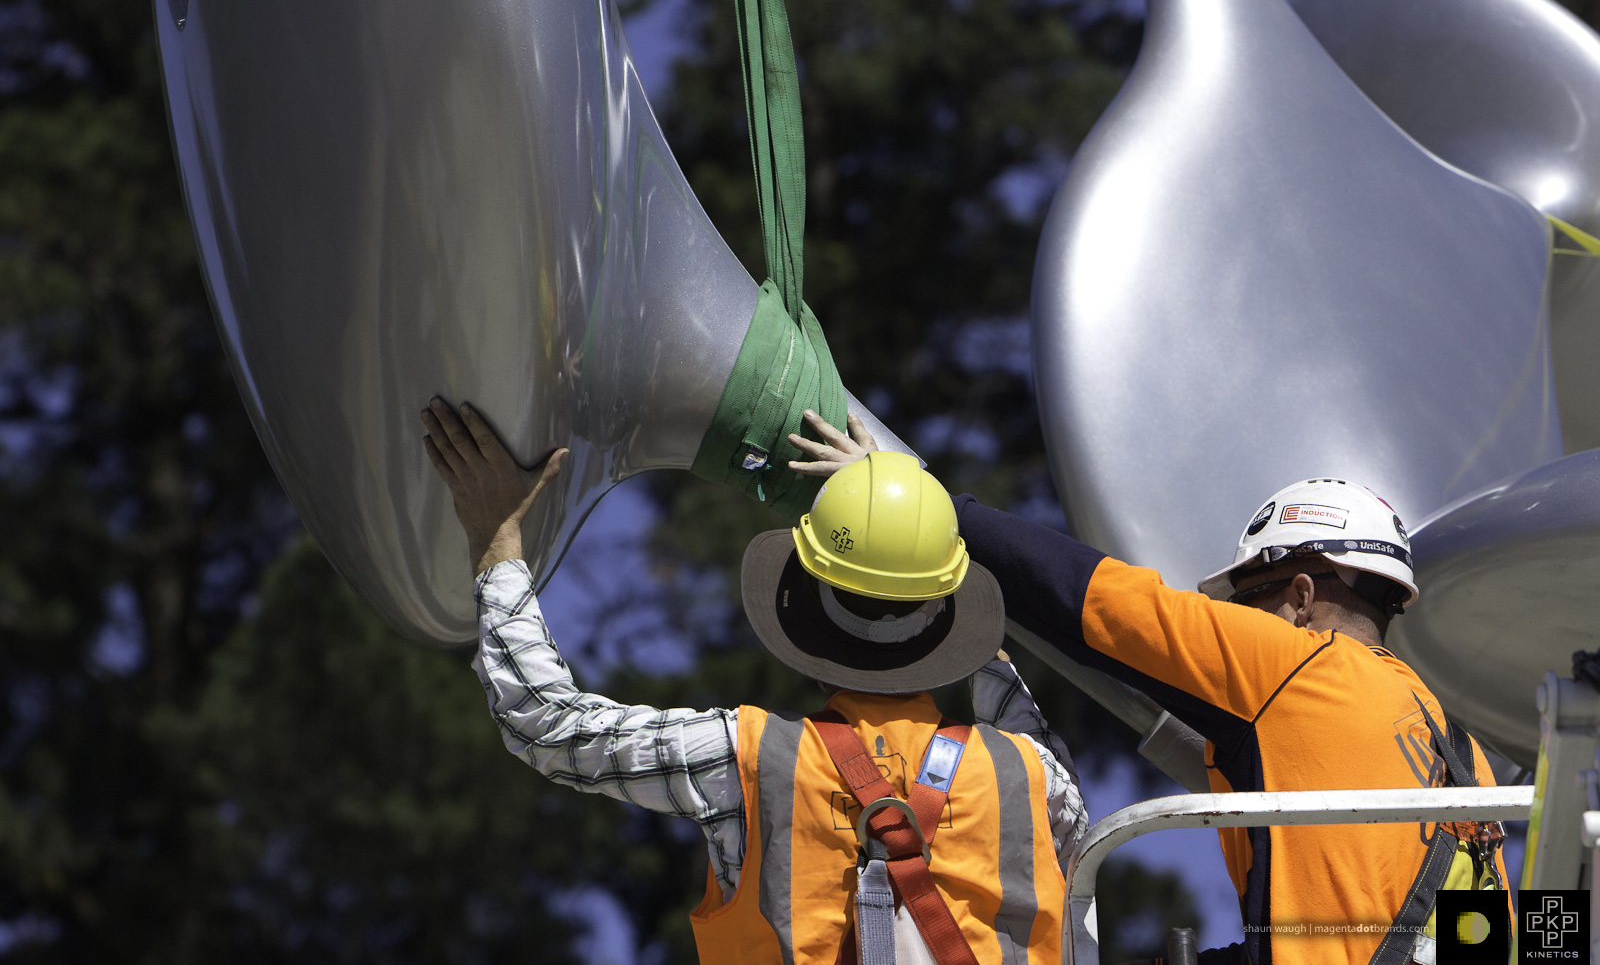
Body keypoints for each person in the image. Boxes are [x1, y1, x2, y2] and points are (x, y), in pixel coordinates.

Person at [788, 411, 1510, 965]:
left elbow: (1096, 599)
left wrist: (916, 505)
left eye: (1244, 603)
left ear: (1297, 594)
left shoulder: (1296, 664)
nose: (1231, 624)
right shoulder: (1462, 754)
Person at [418, 397, 1086, 965]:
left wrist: (498, 542)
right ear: (950, 613)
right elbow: (996, 670)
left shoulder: (746, 759)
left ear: (805, 609)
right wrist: (904, 513)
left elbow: (544, 723)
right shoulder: (1035, 775)